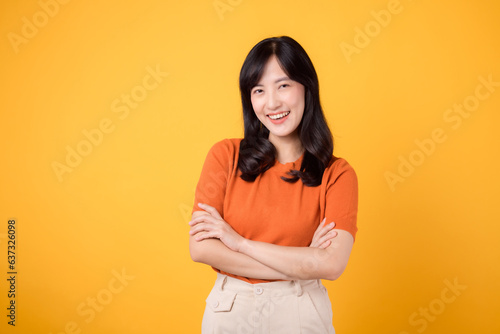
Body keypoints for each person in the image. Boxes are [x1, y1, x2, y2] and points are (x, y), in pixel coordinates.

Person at [189, 36, 358, 333]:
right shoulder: (225, 156)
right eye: (258, 90)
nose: (272, 103)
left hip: (300, 312)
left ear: (307, 87)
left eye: (283, 85)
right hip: (230, 312)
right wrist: (304, 262)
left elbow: (331, 265)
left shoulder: (337, 174)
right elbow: (201, 248)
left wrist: (239, 243)